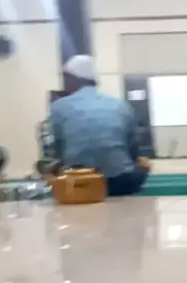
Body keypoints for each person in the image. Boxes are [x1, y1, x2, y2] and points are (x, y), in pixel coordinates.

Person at [49, 55, 148, 196]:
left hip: (81, 183)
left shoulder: (59, 107)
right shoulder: (120, 105)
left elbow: (59, 150)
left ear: (72, 79)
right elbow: (133, 148)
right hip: (121, 181)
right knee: (141, 166)